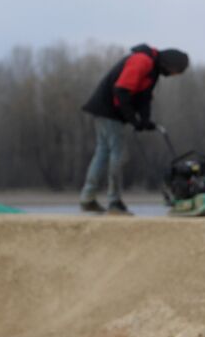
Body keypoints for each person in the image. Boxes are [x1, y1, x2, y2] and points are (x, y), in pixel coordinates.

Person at [79, 44, 188, 214]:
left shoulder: (153, 70)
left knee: (103, 153)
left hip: (107, 111)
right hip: (108, 110)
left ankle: (87, 198)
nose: (173, 75)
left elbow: (144, 98)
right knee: (118, 154)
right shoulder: (142, 61)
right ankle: (114, 202)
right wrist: (132, 119)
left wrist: (144, 121)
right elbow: (121, 90)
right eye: (176, 72)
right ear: (170, 64)